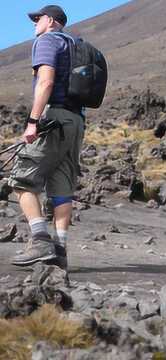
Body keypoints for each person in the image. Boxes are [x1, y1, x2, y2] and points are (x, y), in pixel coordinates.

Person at [10, 5, 85, 270]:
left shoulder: (47, 40)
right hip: (76, 121)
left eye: (37, 18)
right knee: (62, 189)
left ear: (50, 21)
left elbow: (46, 82)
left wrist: (33, 121)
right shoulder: (77, 45)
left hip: (53, 119)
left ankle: (40, 240)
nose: (34, 24)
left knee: (21, 180)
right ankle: (60, 251)